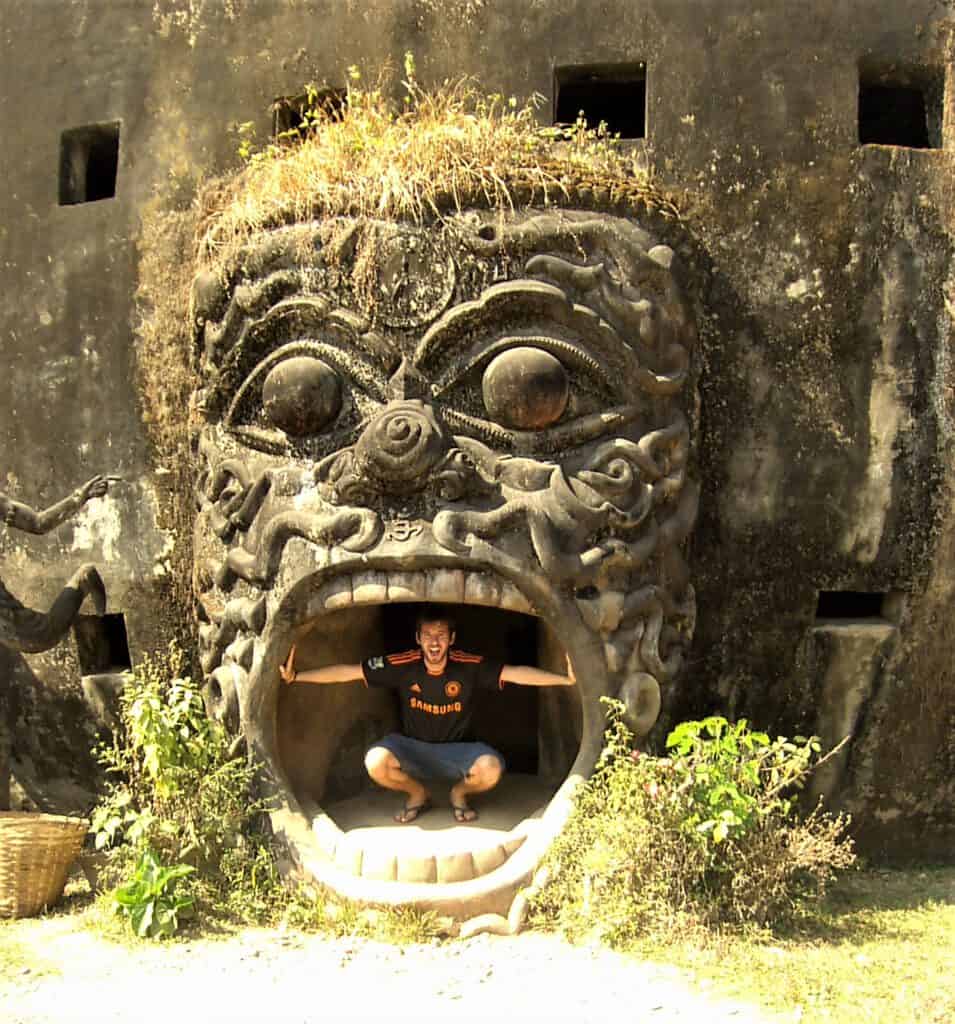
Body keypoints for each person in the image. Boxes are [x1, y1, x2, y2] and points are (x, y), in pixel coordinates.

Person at [280, 605, 575, 824]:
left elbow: (515, 674)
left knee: (491, 768)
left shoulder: (467, 665)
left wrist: (563, 679)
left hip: (459, 750)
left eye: (441, 636)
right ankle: (417, 795)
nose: (435, 643)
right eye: (429, 636)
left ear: (452, 639)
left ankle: (459, 794)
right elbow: (348, 672)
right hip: (412, 748)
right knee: (375, 761)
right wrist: (298, 676)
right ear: (418, 639)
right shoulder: (404, 664)